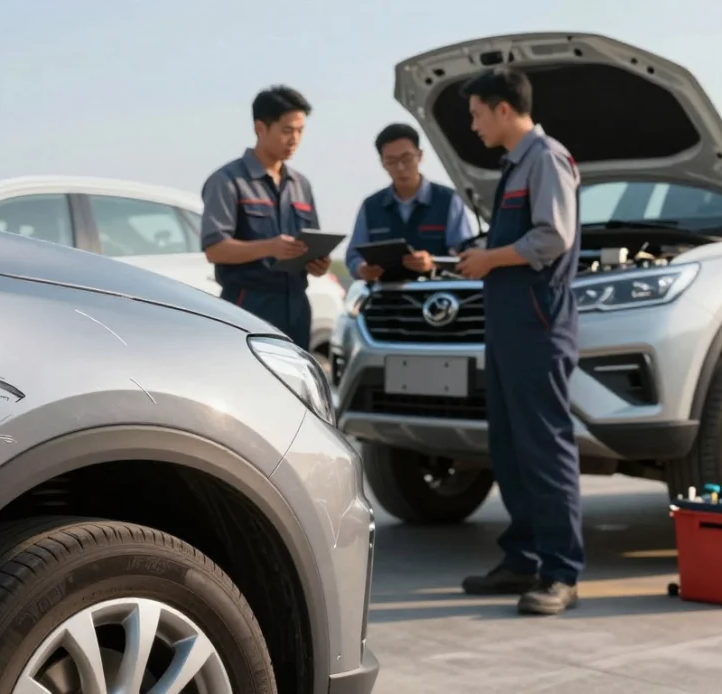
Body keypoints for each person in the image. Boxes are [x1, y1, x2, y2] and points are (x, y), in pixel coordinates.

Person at [454, 67, 585, 616]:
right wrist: (477, 254)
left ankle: (561, 573)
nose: (474, 125)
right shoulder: (514, 165)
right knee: (510, 448)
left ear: (504, 108)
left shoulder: (547, 158)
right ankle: (523, 559)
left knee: (545, 449)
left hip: (538, 324)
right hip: (508, 325)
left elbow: (554, 237)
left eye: (477, 113)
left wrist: (489, 258)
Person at [200, 85, 331, 351]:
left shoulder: (300, 185)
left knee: (294, 387)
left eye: (300, 131)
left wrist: (318, 264)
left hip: (296, 306)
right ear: (260, 128)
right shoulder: (227, 181)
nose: (294, 139)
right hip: (248, 306)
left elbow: (312, 242)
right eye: (286, 130)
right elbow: (215, 249)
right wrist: (269, 247)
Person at [345, 123, 475, 282]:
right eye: (391, 161)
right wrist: (362, 269)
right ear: (382, 163)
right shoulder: (370, 206)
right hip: (384, 298)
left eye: (406, 159)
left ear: (420, 156)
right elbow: (353, 256)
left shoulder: (448, 200)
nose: (400, 168)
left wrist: (433, 262)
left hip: (438, 297)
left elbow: (465, 255)